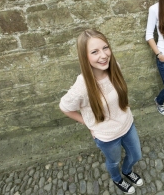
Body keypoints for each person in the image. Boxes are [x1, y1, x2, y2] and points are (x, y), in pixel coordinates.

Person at [59, 29, 143, 194]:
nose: (103, 55)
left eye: (105, 48)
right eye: (95, 52)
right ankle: (117, 179)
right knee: (114, 161)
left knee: (136, 155)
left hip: (127, 124)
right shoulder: (81, 86)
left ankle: (127, 171)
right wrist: (88, 124)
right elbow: (65, 107)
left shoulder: (115, 67)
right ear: (85, 57)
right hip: (106, 136)